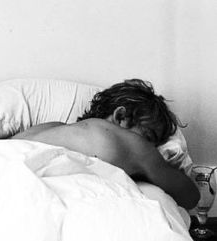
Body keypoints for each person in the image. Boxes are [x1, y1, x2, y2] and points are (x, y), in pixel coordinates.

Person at [12, 79, 200, 209]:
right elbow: (190, 197)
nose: (153, 147)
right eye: (149, 137)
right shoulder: (129, 143)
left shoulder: (51, 128)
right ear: (120, 116)